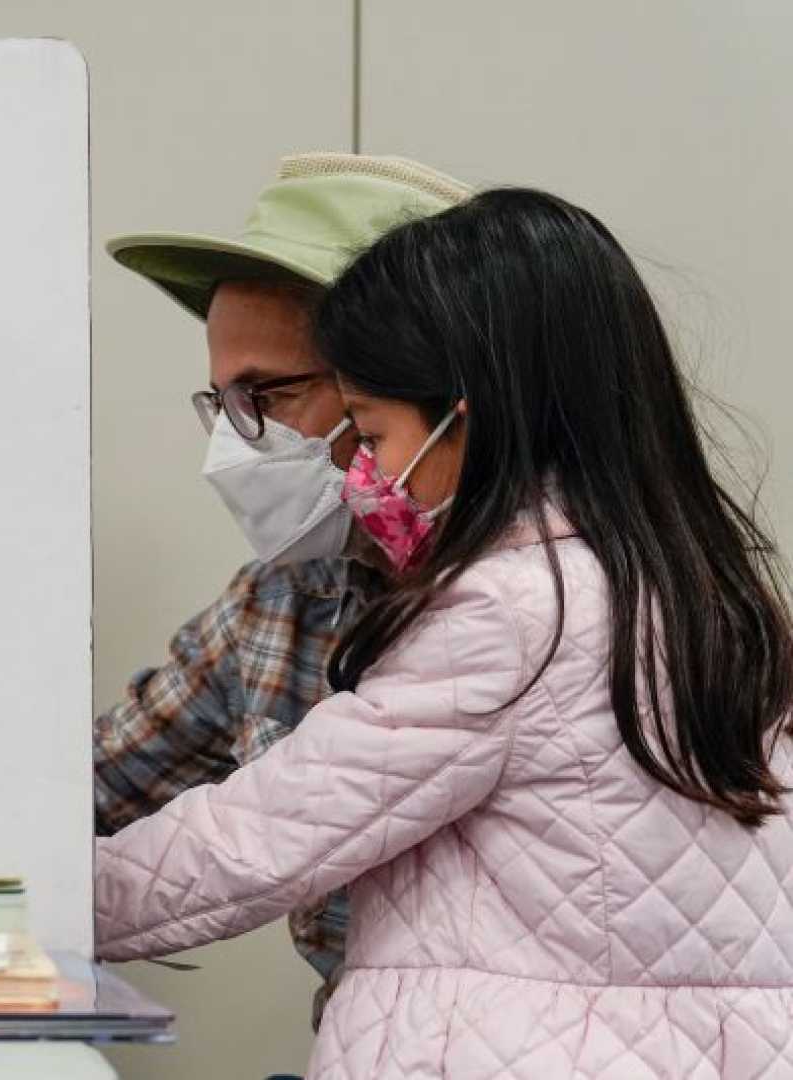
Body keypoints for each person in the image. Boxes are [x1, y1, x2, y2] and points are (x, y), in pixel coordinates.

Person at [94, 187, 793, 1077]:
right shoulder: (695, 589)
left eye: (374, 429)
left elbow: (245, 846)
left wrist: (21, 908)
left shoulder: (507, 613)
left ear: (461, 399)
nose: (370, 475)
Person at [94, 153, 471, 1024]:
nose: (240, 440)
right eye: (224, 402)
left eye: (269, 394)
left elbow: (249, 848)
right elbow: (97, 787)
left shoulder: (545, 604)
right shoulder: (282, 601)